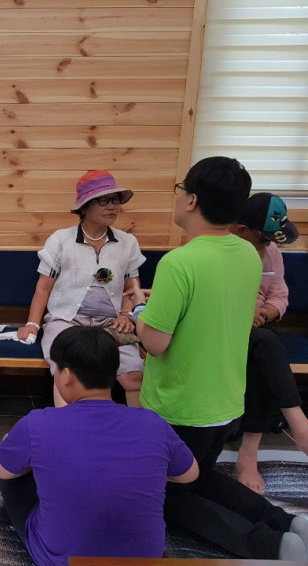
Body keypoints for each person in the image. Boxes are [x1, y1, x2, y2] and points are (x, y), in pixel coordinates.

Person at [129, 157, 308, 561]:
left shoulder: (179, 262)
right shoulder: (247, 254)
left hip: (180, 407)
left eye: (179, 190)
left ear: (191, 200)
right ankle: (286, 521)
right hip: (225, 402)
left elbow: (155, 343)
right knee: (198, 477)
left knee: (168, 495)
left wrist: (140, 312)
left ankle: (272, 544)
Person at [0, 326, 198, 566]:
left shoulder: (36, 424)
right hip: (146, 559)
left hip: (64, 561)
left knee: (11, 471)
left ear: (66, 375)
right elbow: (189, 474)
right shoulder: (153, 423)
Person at [17, 170, 146, 407]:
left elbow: (132, 286)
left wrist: (127, 315)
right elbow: (43, 288)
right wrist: (32, 324)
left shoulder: (128, 243)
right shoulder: (60, 240)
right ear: (84, 207)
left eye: (115, 200)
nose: (112, 206)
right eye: (103, 200)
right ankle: (68, 427)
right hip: (66, 320)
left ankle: (136, 428)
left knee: (134, 376)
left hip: (111, 323)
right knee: (66, 371)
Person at [229, 192, 307, 493]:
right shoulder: (219, 249)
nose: (268, 245)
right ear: (241, 230)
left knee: (261, 351)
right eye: (263, 238)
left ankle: (249, 454)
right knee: (265, 345)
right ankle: (296, 420)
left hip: (258, 327)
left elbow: (279, 295)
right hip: (221, 325)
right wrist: (241, 313)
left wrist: (265, 312)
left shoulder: (270, 250)